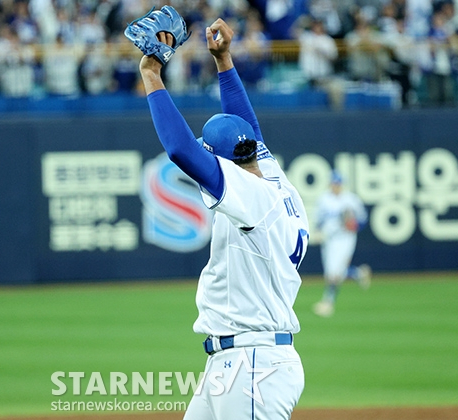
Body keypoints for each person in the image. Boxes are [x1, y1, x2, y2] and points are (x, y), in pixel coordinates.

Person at [135, 15, 308, 420]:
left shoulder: (249, 194)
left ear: (223, 161)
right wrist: (224, 59)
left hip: (254, 365)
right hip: (236, 362)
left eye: (208, 153)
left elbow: (180, 150)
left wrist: (151, 73)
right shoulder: (272, 178)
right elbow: (249, 131)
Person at [312, 170, 371, 318]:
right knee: (331, 273)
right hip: (329, 239)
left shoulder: (350, 200)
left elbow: (363, 219)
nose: (336, 186)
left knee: (334, 273)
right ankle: (358, 273)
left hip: (345, 238)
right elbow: (319, 220)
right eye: (334, 183)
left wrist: (354, 225)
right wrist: (318, 231)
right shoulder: (324, 199)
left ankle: (328, 303)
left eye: (338, 183)